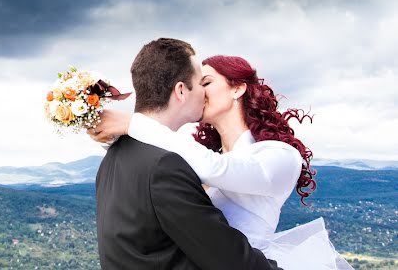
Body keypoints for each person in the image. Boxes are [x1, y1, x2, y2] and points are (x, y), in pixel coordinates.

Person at [90, 54, 353, 269]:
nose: (198, 93)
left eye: (205, 83)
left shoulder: (279, 156)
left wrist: (134, 124)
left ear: (238, 88)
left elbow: (216, 170)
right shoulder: (206, 156)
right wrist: (111, 138)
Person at [93, 38, 280, 269]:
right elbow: (228, 258)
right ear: (181, 90)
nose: (204, 92)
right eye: (201, 83)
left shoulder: (112, 158)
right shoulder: (164, 166)